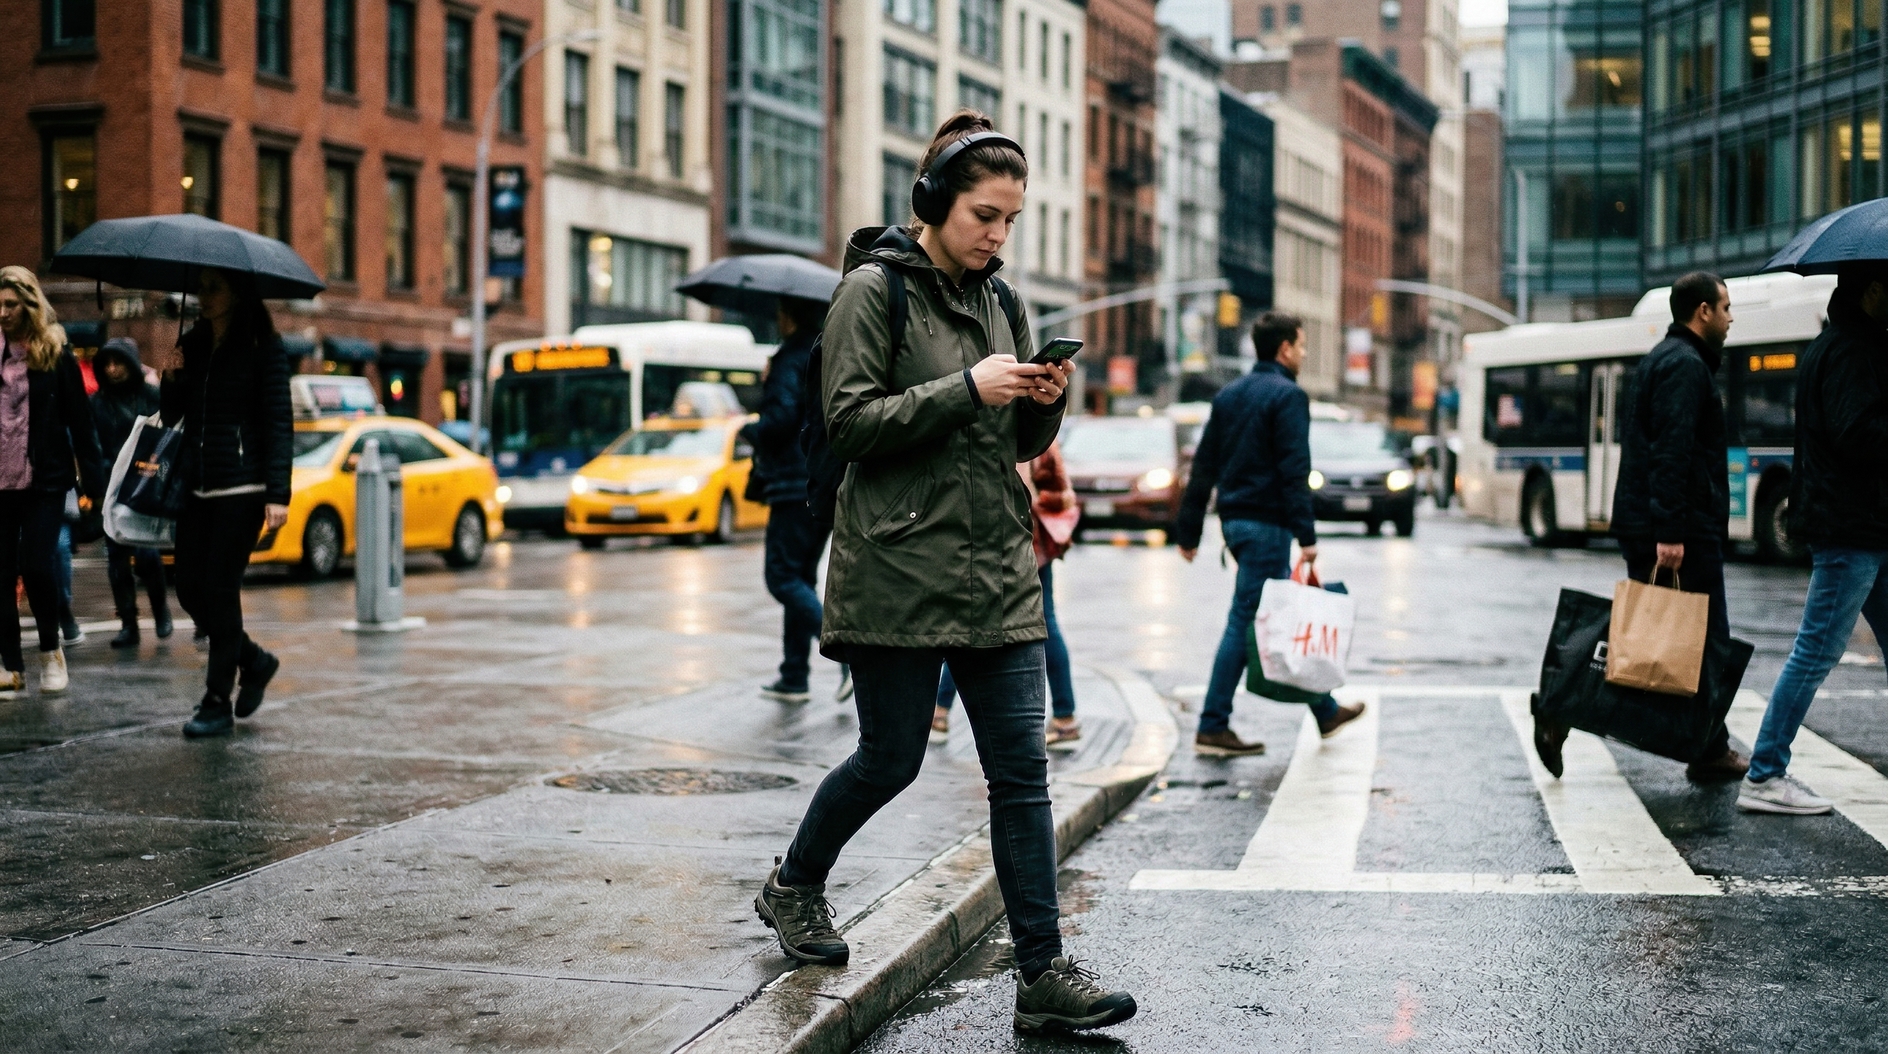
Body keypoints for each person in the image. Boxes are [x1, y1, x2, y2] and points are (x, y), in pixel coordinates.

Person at [754, 110, 1137, 1035]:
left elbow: (1016, 440)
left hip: (997, 569)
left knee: (1022, 772)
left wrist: (1042, 402)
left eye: (1011, 220)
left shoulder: (1003, 304)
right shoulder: (871, 295)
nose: (999, 236)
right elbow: (848, 424)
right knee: (890, 759)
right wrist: (966, 387)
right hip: (897, 568)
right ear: (933, 203)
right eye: (984, 217)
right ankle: (795, 882)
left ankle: (1043, 973)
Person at [1540, 271, 1748, 782]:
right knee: (1701, 639)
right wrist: (1672, 532)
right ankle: (1560, 706)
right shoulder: (1683, 366)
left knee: (1651, 635)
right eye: (1724, 308)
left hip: (1662, 523)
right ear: (1702, 311)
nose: (1730, 317)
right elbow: (1672, 453)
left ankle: (1706, 745)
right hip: (1678, 530)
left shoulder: (1668, 358)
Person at [1173, 312, 1367, 756]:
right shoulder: (1289, 397)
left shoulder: (1229, 395)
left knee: (1273, 617)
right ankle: (1212, 724)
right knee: (1246, 620)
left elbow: (1203, 466)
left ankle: (1325, 711)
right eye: (1300, 346)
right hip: (1268, 527)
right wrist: (1308, 536)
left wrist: (1189, 532)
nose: (1302, 354)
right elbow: (1294, 471)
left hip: (1236, 524)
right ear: (1283, 349)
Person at [1738, 265, 1888, 815]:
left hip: (1866, 524)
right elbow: (1859, 433)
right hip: (1851, 527)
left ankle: (1766, 769)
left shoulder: (1846, 344)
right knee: (1816, 651)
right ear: (1873, 292)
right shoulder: (1849, 351)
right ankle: (1764, 773)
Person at [160, 268, 291, 738]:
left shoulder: (262, 345)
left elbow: (279, 420)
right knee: (190, 589)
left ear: (237, 292)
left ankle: (217, 701)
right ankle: (253, 661)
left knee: (219, 589)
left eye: (214, 287)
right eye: (200, 286)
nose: (204, 295)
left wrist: (278, 492)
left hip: (243, 489)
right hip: (196, 486)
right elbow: (174, 413)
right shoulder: (192, 343)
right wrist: (170, 373)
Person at [932, 440, 1081, 747]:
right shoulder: (1031, 422)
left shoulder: (1001, 420)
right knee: (1036, 621)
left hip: (1007, 543)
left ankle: (939, 711)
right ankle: (1066, 717)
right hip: (1024, 544)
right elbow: (1058, 485)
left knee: (971, 619)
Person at [0, 266, 105, 698]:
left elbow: (81, 425)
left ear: (29, 303)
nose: (3, 312)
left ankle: (50, 650)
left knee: (37, 565)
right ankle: (10, 664)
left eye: (11, 303)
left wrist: (96, 490)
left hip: (44, 480)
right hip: (1, 481)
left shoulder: (56, 354)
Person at [744, 296, 851, 704]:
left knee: (782, 577)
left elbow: (780, 421)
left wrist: (748, 427)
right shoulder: (825, 350)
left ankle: (847, 657)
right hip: (821, 478)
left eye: (779, 313)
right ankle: (794, 675)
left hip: (792, 482)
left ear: (789, 316)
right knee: (801, 576)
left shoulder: (790, 358)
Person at [91, 338, 173, 648]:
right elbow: (92, 443)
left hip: (145, 482)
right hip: (113, 486)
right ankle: (129, 623)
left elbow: (166, 436)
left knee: (148, 553)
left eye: (119, 363)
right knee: (116, 559)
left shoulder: (151, 396)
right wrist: (98, 483)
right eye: (107, 364)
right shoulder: (97, 403)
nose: (113, 370)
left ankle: (161, 611)